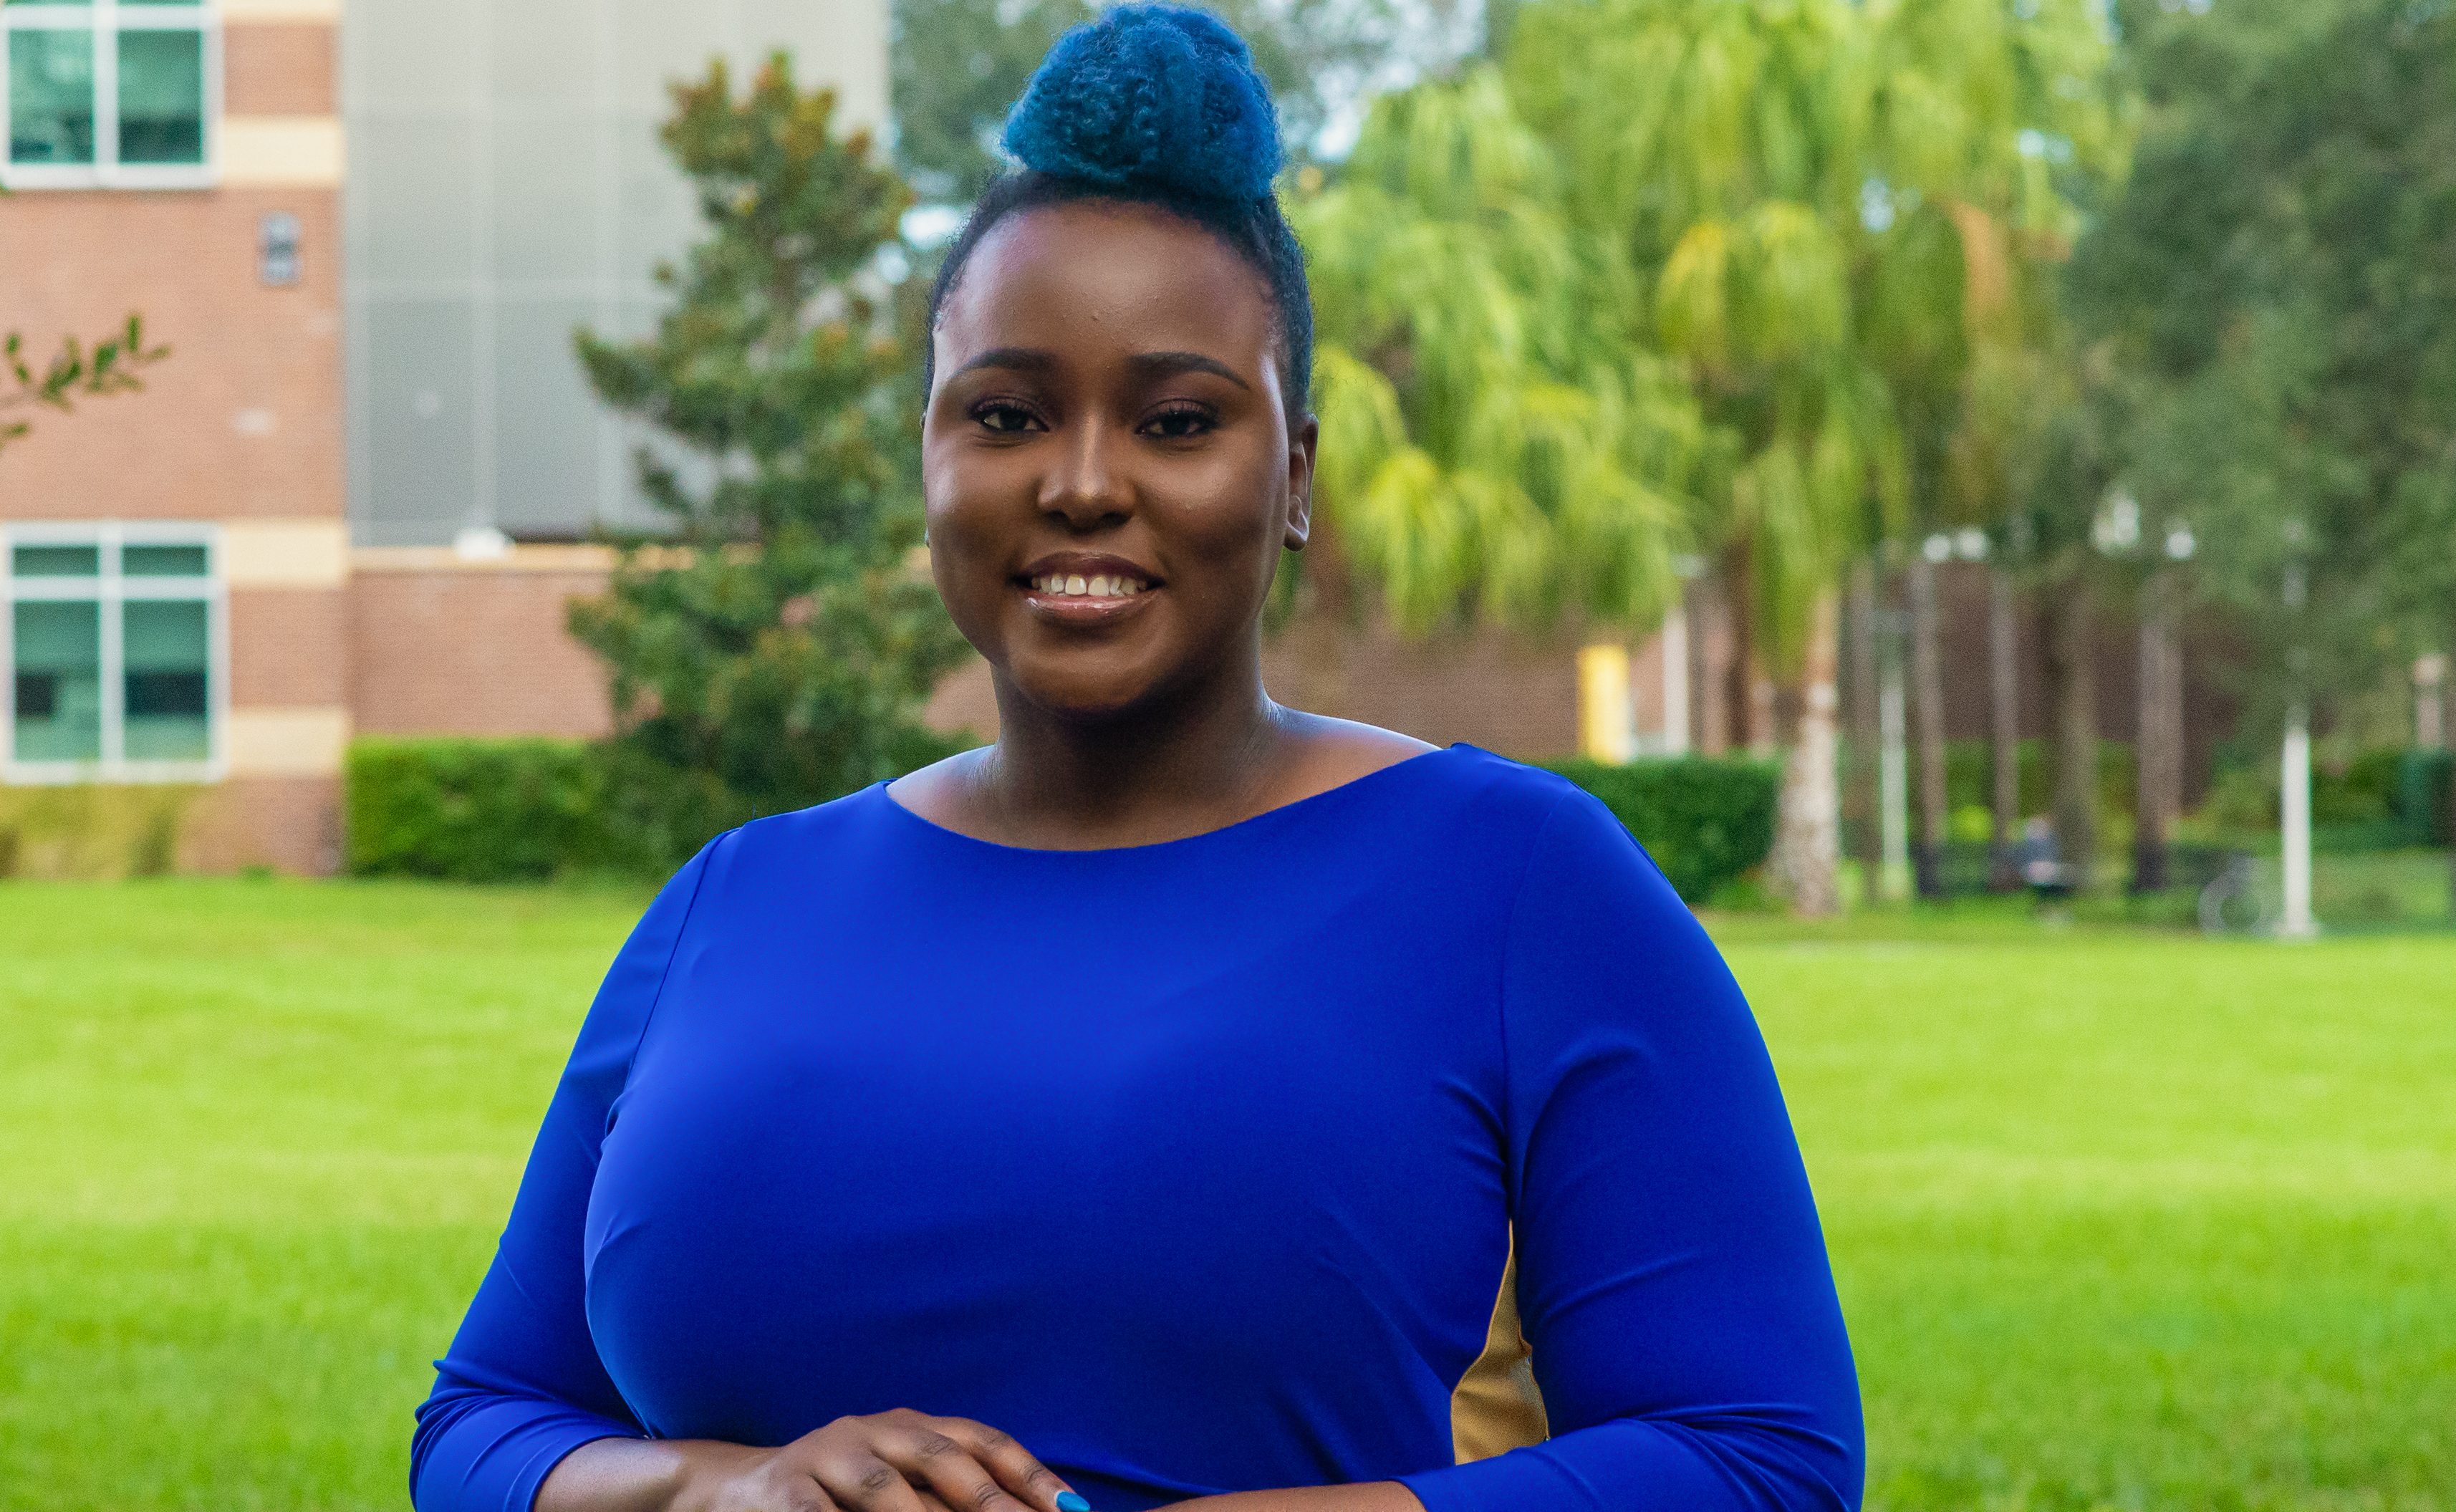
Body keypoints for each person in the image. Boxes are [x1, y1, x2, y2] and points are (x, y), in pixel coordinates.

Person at [409, 9, 1864, 1512]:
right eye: (1007, 415)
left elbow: (1756, 1458)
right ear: (930, 458)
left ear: (1293, 475)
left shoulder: (1520, 886)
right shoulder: (737, 901)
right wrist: (728, 1493)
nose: (1084, 483)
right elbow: (482, 1427)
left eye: (1175, 421)